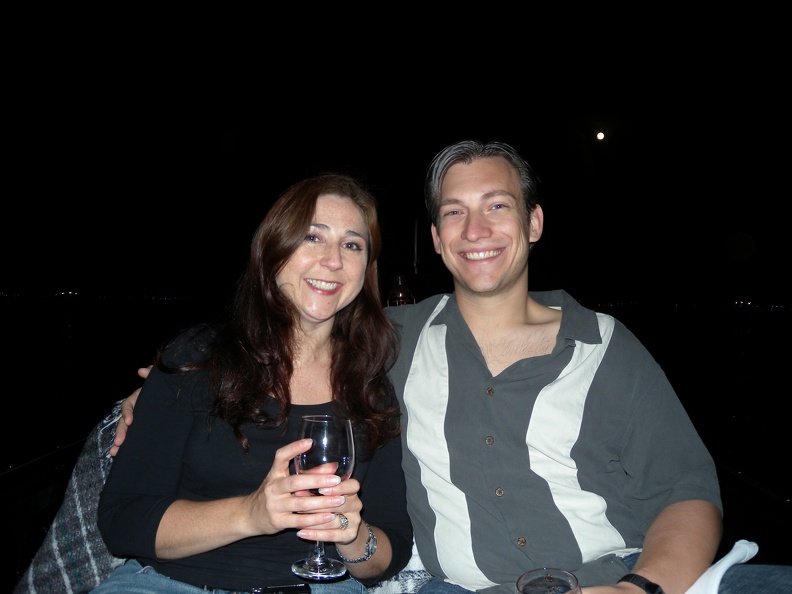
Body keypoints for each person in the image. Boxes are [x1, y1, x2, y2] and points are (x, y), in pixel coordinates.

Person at [114, 141, 790, 593]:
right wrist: (149, 401)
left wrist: (639, 589)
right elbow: (274, 362)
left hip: (622, 574)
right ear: (435, 240)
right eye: (454, 214)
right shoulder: (391, 344)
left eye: (498, 206)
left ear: (534, 224)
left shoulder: (606, 345)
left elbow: (688, 489)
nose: (477, 231)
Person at [91, 173, 413, 594]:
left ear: (365, 269)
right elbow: (122, 522)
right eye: (313, 238)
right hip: (171, 584)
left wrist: (352, 536)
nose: (333, 260)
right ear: (273, 250)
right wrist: (251, 514)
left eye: (352, 245)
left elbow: (391, 551)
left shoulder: (368, 387)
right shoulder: (198, 359)